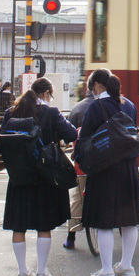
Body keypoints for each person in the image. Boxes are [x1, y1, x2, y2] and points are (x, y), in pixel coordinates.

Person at [0, 78, 77, 276]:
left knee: (19, 227)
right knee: (44, 226)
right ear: (46, 94)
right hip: (45, 178)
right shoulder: (51, 113)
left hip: (19, 177)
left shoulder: (11, 113)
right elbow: (71, 134)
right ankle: (42, 273)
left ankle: (23, 274)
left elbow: (0, 145)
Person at [77, 68, 139, 276]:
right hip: (128, 168)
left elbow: (84, 139)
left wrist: (79, 158)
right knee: (129, 220)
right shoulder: (130, 105)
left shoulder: (96, 107)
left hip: (104, 169)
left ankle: (107, 271)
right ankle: (126, 266)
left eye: (92, 88)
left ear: (97, 86)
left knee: (104, 222)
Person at [62, 86, 96, 249]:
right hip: (100, 164)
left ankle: (71, 236)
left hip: (81, 164)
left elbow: (68, 134)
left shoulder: (77, 108)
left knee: (77, 198)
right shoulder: (104, 107)